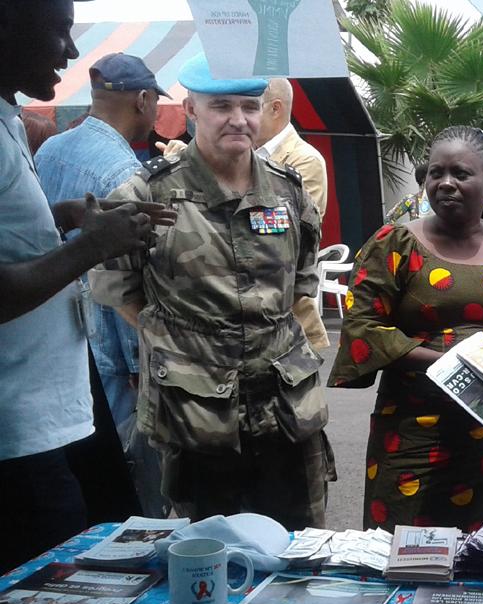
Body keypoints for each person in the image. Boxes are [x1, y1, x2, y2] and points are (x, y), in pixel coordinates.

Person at [91, 53, 331, 531]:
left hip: (287, 408)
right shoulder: (146, 195)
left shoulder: (289, 191)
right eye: (221, 106)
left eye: (249, 105)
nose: (239, 119)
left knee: (298, 545)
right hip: (196, 413)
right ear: (190, 110)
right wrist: (183, 342)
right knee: (207, 547)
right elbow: (118, 290)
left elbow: (300, 283)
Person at [0, 0, 170, 575]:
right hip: (22, 433)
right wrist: (93, 246)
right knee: (44, 594)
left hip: (55, 407)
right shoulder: (121, 170)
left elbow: (13, 237)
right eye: (59, 32)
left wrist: (65, 215)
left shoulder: (29, 132)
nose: (72, 52)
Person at [328, 125, 483, 532]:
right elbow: (363, 326)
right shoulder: (394, 246)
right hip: (415, 434)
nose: (445, 183)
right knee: (408, 549)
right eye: (435, 173)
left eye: (460, 173)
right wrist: (447, 362)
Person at [36, 52, 171, 521]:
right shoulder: (124, 173)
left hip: (54, 336)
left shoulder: (50, 149)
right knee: (128, 479)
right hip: (109, 346)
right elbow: (120, 279)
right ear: (143, 99)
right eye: (156, 103)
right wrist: (138, 362)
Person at [255, 77, 330, 351]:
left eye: (251, 106)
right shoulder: (246, 155)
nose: (240, 118)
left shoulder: (304, 160)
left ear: (275, 108)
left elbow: (287, 234)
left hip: (289, 324)